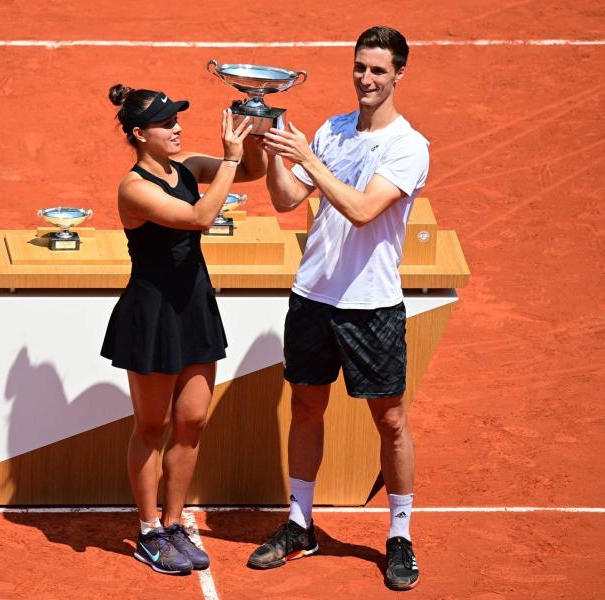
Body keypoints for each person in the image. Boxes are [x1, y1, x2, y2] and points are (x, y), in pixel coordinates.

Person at [246, 26, 429, 591]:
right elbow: (285, 198)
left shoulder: (408, 145)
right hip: (313, 297)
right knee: (305, 408)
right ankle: (301, 524)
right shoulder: (332, 130)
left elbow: (364, 210)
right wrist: (274, 142)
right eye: (359, 67)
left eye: (377, 70)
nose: (366, 79)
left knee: (391, 421)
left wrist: (310, 159)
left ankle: (399, 533)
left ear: (399, 73)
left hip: (371, 305)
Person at [101, 84, 263, 575]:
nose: (176, 128)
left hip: (193, 307)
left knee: (192, 422)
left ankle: (174, 523)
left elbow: (251, 170)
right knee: (152, 426)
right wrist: (231, 159)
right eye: (166, 122)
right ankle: (149, 531)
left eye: (177, 119)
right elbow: (199, 216)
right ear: (138, 134)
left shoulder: (189, 166)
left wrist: (254, 124)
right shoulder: (134, 188)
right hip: (152, 316)